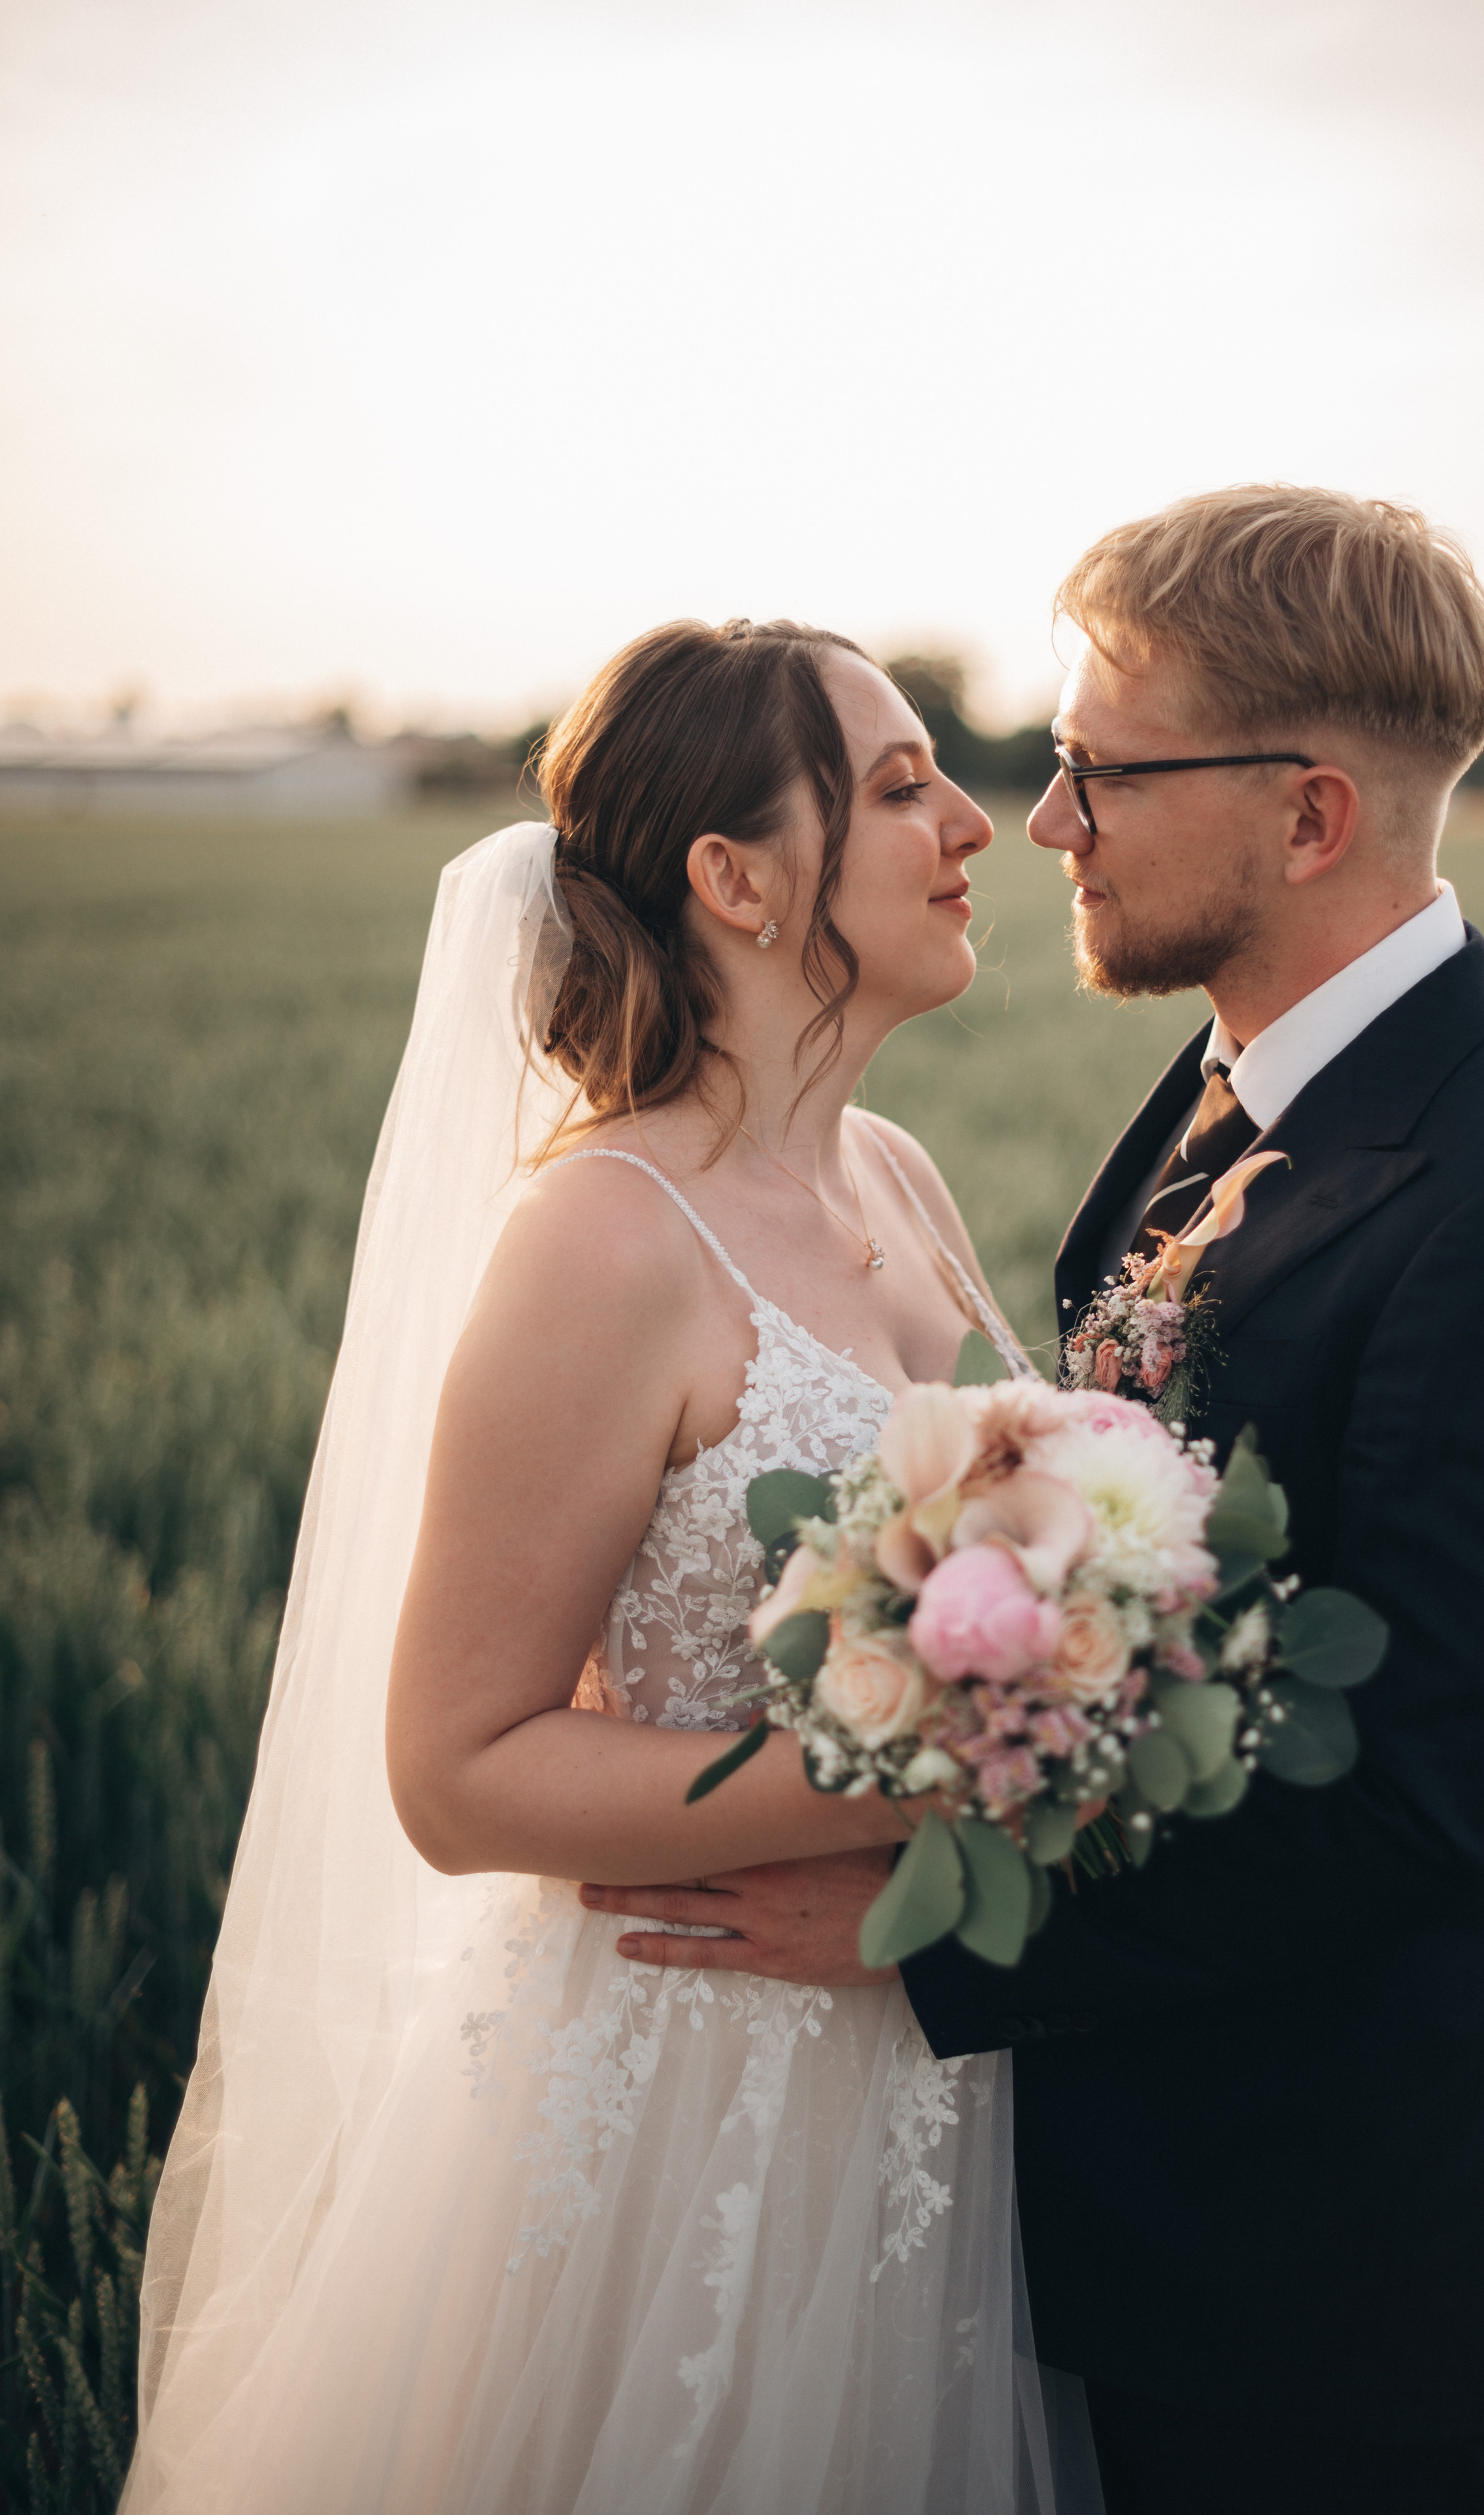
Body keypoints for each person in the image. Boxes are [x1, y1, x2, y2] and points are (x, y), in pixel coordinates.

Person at [597, 491, 1484, 2515]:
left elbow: (1412, 1812)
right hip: (1118, 2208)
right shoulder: (1229, 1080)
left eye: (1104, 771)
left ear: (1311, 818)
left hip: (1317, 2283)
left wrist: (923, 1949)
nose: (1049, 822)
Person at [123, 619, 1099, 2514]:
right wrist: (914, 1786)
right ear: (733, 880)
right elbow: (459, 1766)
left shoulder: (894, 1176)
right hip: (688, 2093)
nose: (975, 822)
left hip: (928, 2076)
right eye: (899, 786)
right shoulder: (606, 1240)